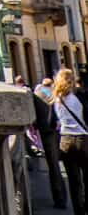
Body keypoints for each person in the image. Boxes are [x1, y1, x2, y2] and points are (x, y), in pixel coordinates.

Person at [53, 67, 88, 215]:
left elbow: (51, 121)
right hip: (83, 139)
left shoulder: (56, 99)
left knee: (74, 182)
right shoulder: (79, 96)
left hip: (65, 141)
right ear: (72, 80)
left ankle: (78, 211)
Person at [36, 77, 69, 209]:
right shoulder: (59, 93)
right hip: (64, 131)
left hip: (48, 133)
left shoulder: (37, 94)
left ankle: (60, 199)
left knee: (54, 167)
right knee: (72, 166)